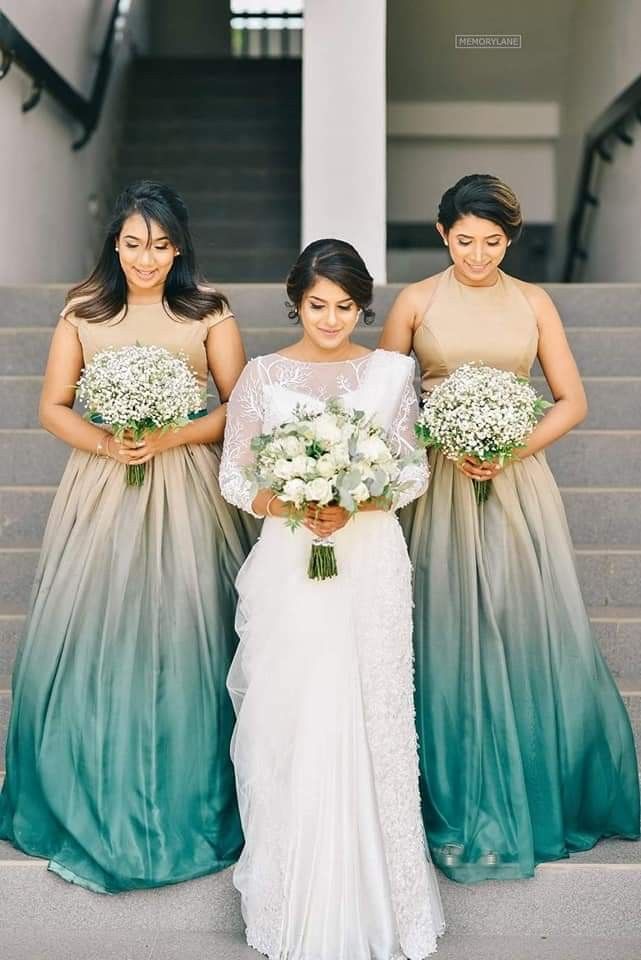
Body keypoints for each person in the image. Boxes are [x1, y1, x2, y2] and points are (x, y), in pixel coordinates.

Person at [379, 173, 640, 883]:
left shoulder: (532, 301)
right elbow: (383, 397)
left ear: (509, 240)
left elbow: (569, 398)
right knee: (443, 620)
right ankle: (451, 784)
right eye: (464, 240)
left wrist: (508, 448)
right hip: (435, 482)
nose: (477, 254)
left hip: (513, 480)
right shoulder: (414, 301)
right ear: (441, 234)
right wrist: (436, 434)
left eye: (492, 242)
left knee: (520, 619)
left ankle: (534, 784)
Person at [0, 180, 257, 893]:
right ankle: (83, 782)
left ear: (179, 247)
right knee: (92, 629)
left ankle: (188, 786)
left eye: (162, 245)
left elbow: (241, 406)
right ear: (116, 242)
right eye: (135, 243)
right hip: (103, 487)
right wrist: (107, 443)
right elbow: (52, 406)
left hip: (187, 492)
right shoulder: (84, 309)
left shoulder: (207, 309)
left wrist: (172, 433)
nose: (147, 259)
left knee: (189, 628)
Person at [219, 238, 445, 959]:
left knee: (372, 710)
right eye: (318, 305)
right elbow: (232, 477)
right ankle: (294, 899)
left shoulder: (389, 372)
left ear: (362, 306)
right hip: (290, 559)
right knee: (295, 710)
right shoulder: (261, 374)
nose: (330, 318)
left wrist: (358, 499)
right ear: (296, 300)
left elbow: (411, 472)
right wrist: (290, 501)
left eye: (345, 307)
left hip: (370, 555)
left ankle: (389, 901)